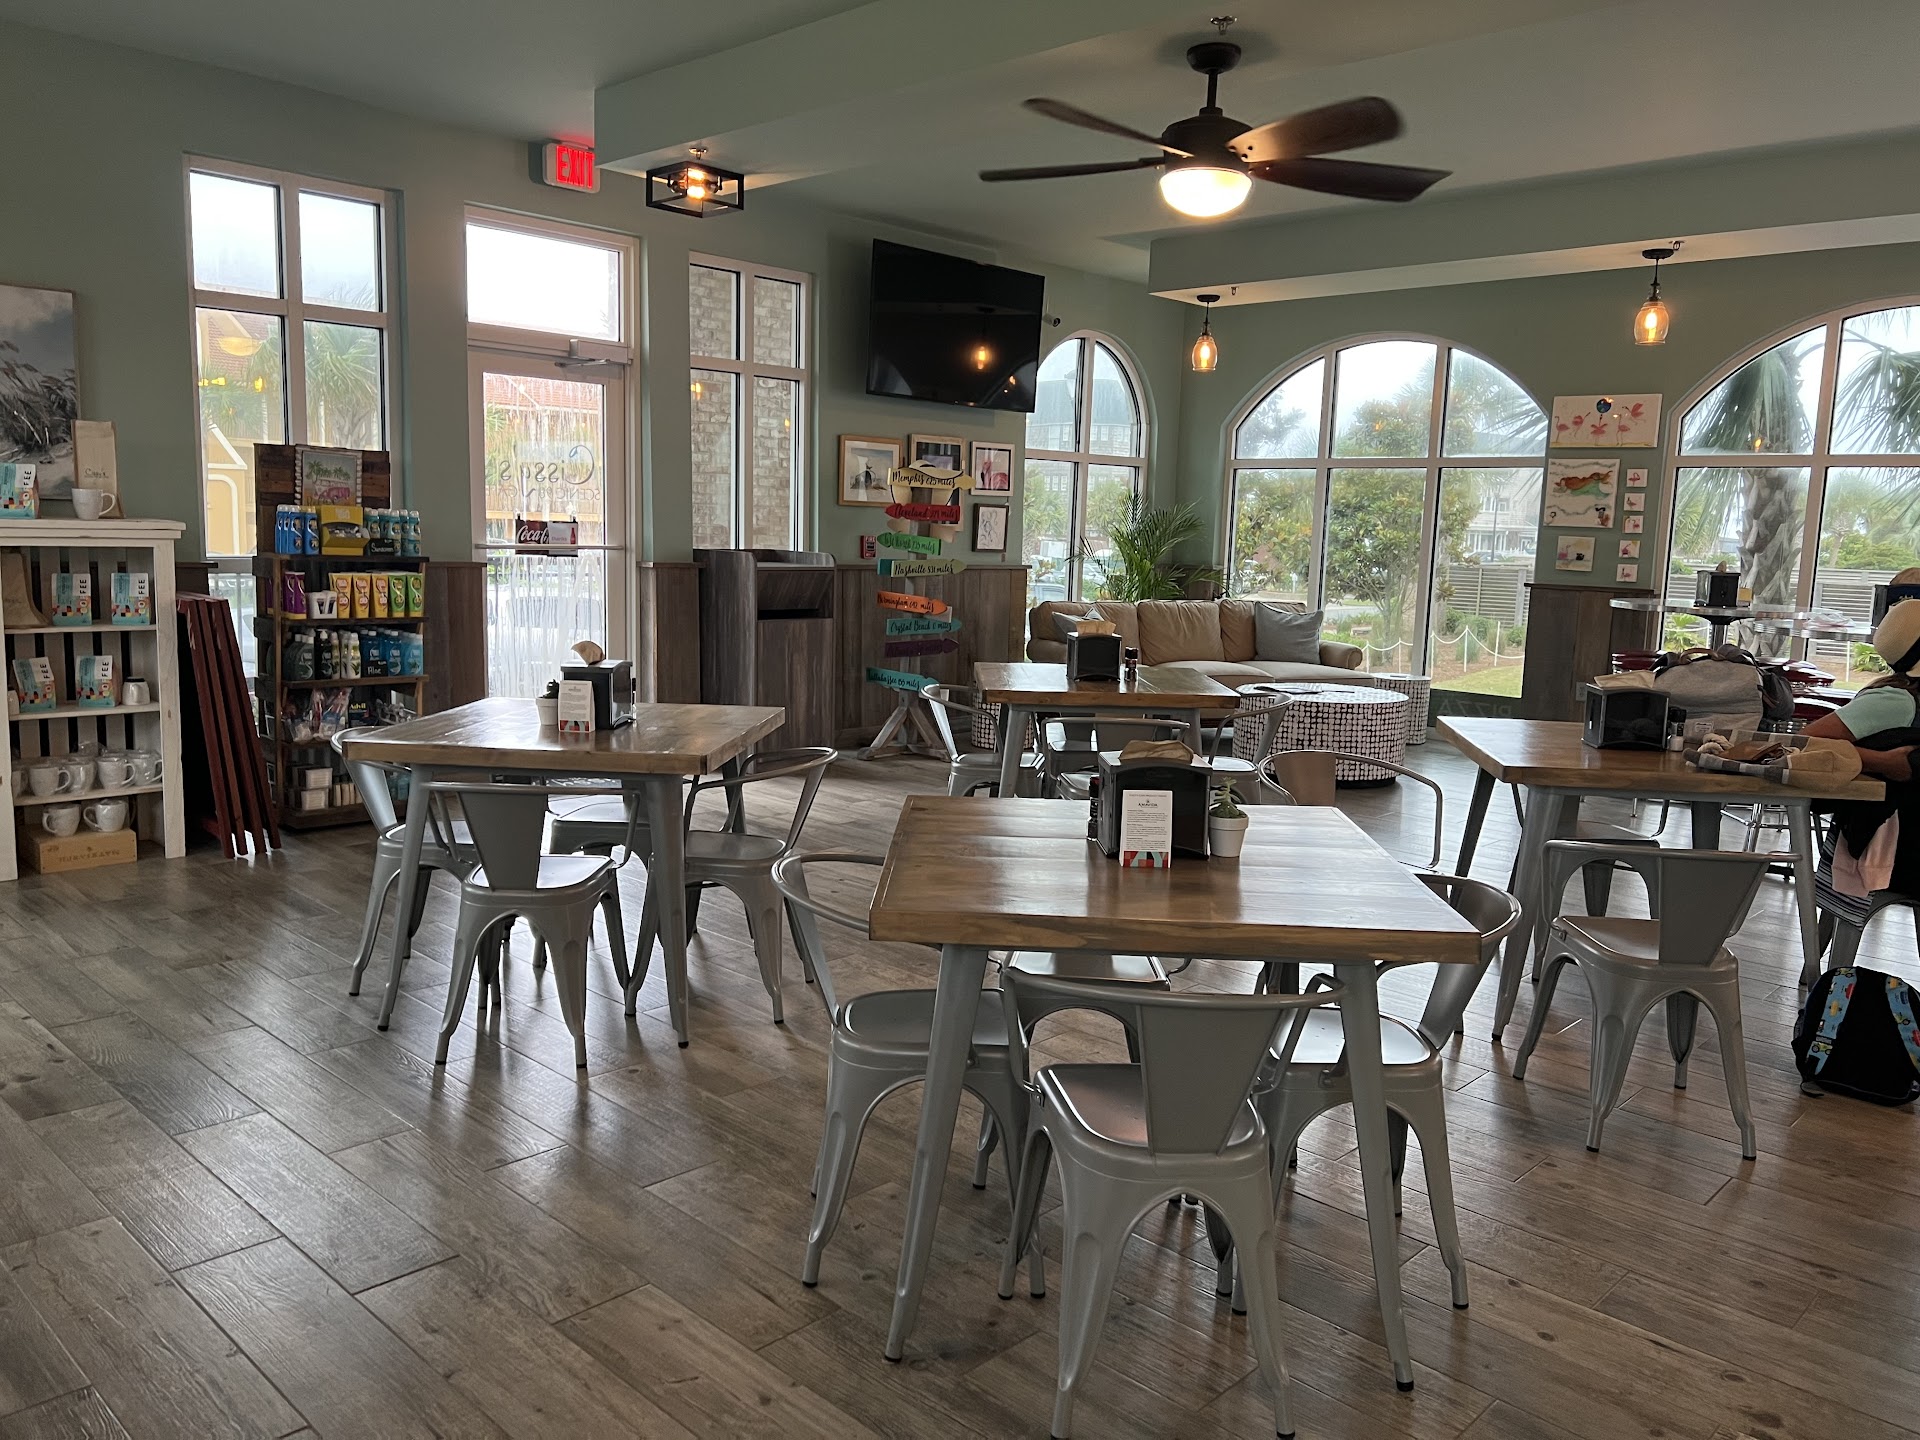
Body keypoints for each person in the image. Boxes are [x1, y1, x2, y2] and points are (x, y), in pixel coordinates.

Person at [1805, 595, 1920, 935]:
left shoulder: (1897, 699)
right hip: (1904, 852)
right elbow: (1809, 744)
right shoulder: (1897, 701)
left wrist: (1878, 762)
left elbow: (1806, 741)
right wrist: (1884, 762)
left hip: (1892, 849)